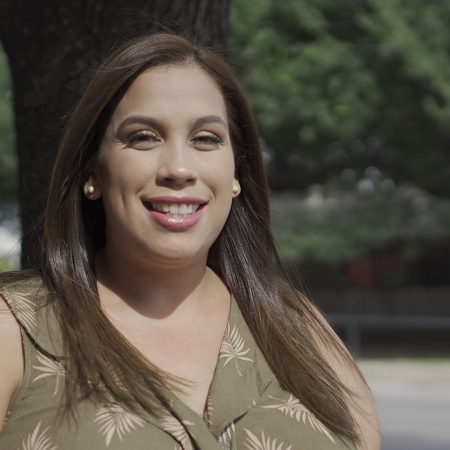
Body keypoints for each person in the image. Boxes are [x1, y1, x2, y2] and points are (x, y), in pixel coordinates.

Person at [0, 33, 380, 450]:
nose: (179, 168)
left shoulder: (300, 329)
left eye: (206, 139)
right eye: (143, 136)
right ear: (92, 173)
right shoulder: (15, 326)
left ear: (237, 174)